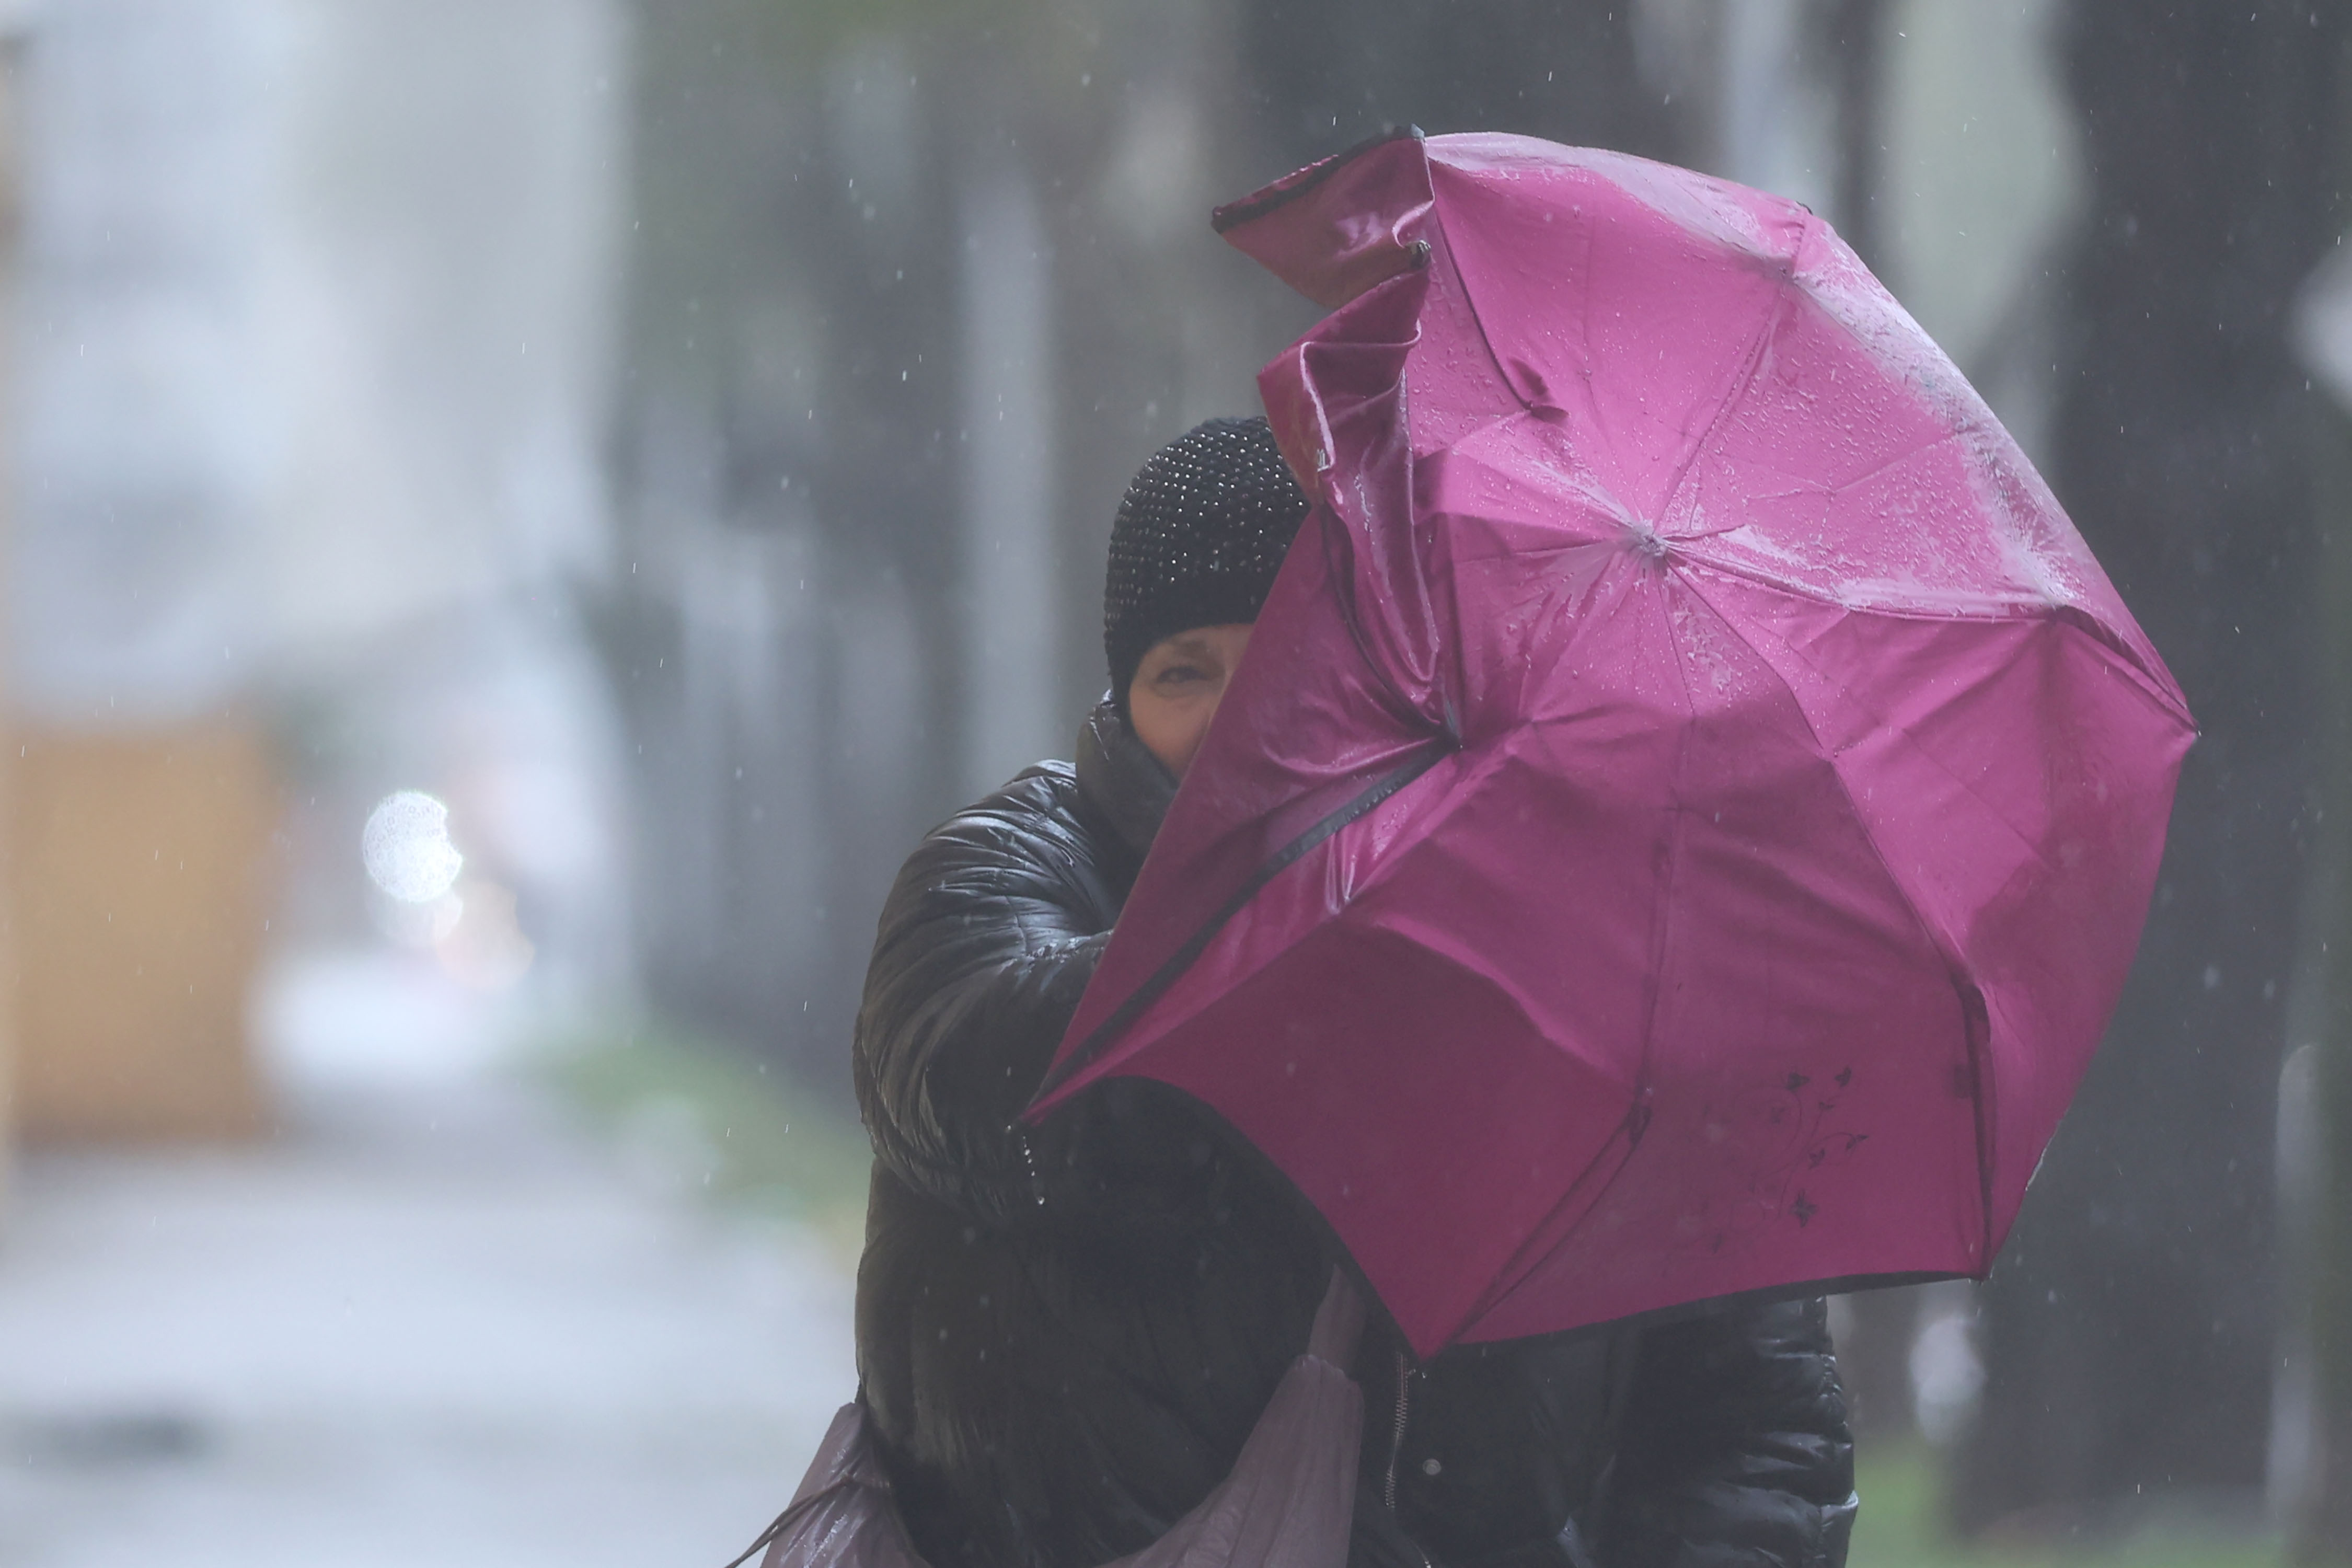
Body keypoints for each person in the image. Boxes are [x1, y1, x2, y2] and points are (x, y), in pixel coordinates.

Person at [852, 416, 1859, 1568]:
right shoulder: (1008, 868)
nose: (1239, 721)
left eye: (1292, 662)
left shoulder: (1574, 933)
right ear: (1122, 696)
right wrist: (1332, 928)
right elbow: (999, 1083)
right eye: (1185, 673)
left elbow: (1748, 1431)